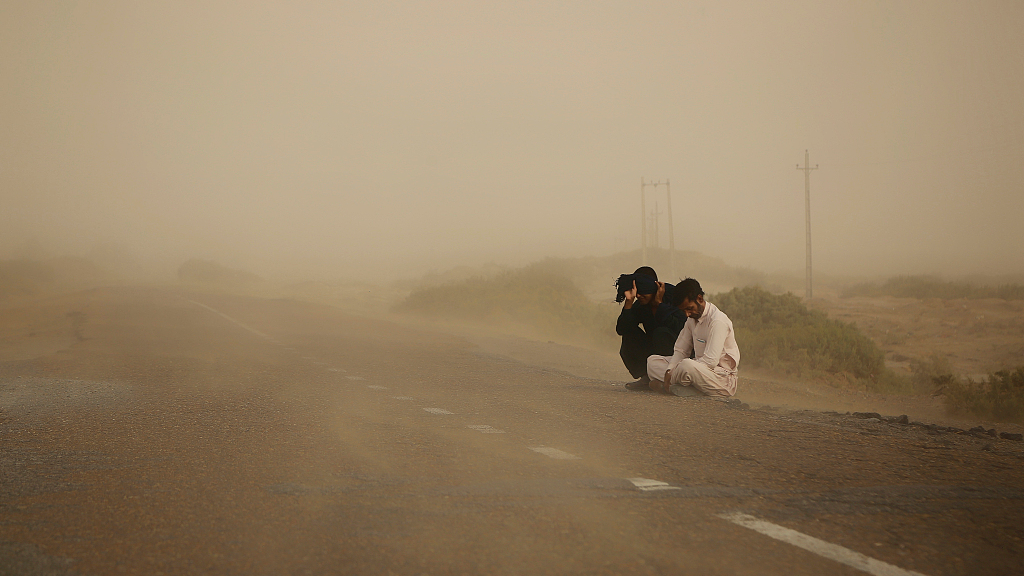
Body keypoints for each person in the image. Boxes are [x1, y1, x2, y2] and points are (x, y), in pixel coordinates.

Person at [647, 278, 740, 397]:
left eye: (689, 308)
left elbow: (710, 362)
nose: (687, 314)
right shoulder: (691, 320)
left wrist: (678, 370)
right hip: (697, 370)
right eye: (684, 310)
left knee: (687, 366)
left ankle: (671, 387)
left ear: (699, 299)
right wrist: (669, 370)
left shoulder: (717, 321)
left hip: (721, 378)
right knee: (652, 362)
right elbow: (681, 350)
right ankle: (684, 389)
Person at [615, 267, 688, 390]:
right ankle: (646, 377)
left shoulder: (673, 300)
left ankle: (667, 377)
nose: (639, 295)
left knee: (661, 333)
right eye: (637, 291)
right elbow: (621, 330)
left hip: (678, 352)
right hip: (653, 351)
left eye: (643, 291)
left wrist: (660, 306)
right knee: (630, 333)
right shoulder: (641, 305)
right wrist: (628, 302)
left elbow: (682, 328)